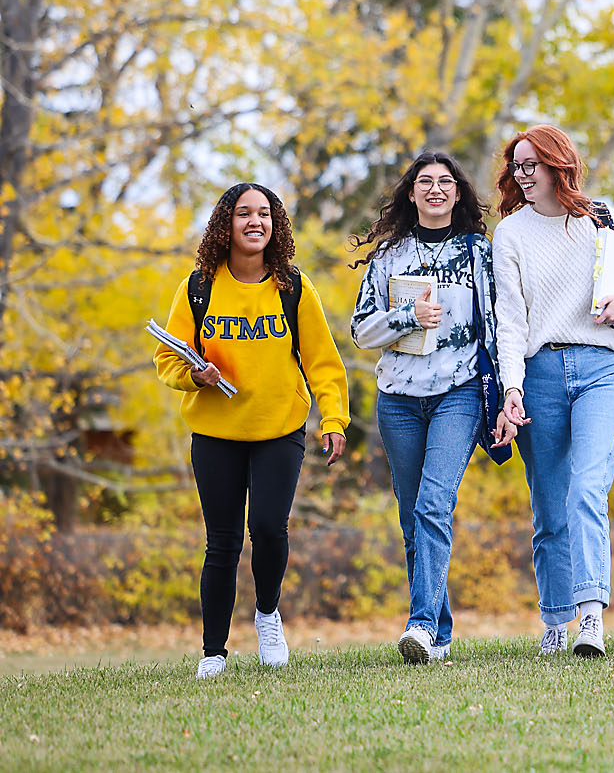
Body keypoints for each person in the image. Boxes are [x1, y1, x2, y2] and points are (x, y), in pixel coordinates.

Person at [153, 183, 350, 680]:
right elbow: (167, 358)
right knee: (222, 542)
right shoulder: (197, 287)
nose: (255, 221)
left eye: (264, 213)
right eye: (244, 214)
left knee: (267, 528)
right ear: (226, 223)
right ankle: (214, 652)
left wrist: (333, 418)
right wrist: (193, 376)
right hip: (216, 433)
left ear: (275, 224)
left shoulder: (294, 287)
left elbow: (323, 361)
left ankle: (267, 614)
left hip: (278, 428)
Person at [491, 125, 614, 659]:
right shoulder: (510, 235)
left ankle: (590, 620)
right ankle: (555, 621)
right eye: (517, 167)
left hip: (601, 368)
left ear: (560, 165)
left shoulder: (601, 219)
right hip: (537, 375)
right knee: (550, 509)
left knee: (587, 490)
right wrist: (511, 388)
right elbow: (510, 322)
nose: (524, 175)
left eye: (533, 164)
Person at [350, 151, 497, 665]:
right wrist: (407, 316)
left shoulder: (479, 253)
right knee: (414, 518)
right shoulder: (389, 256)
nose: (435, 189)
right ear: (411, 194)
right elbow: (361, 330)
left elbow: (499, 328)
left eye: (445, 182)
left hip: (458, 393)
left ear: (458, 194)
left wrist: (504, 397)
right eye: (425, 182)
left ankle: (418, 624)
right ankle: (439, 633)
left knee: (434, 504)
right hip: (398, 400)